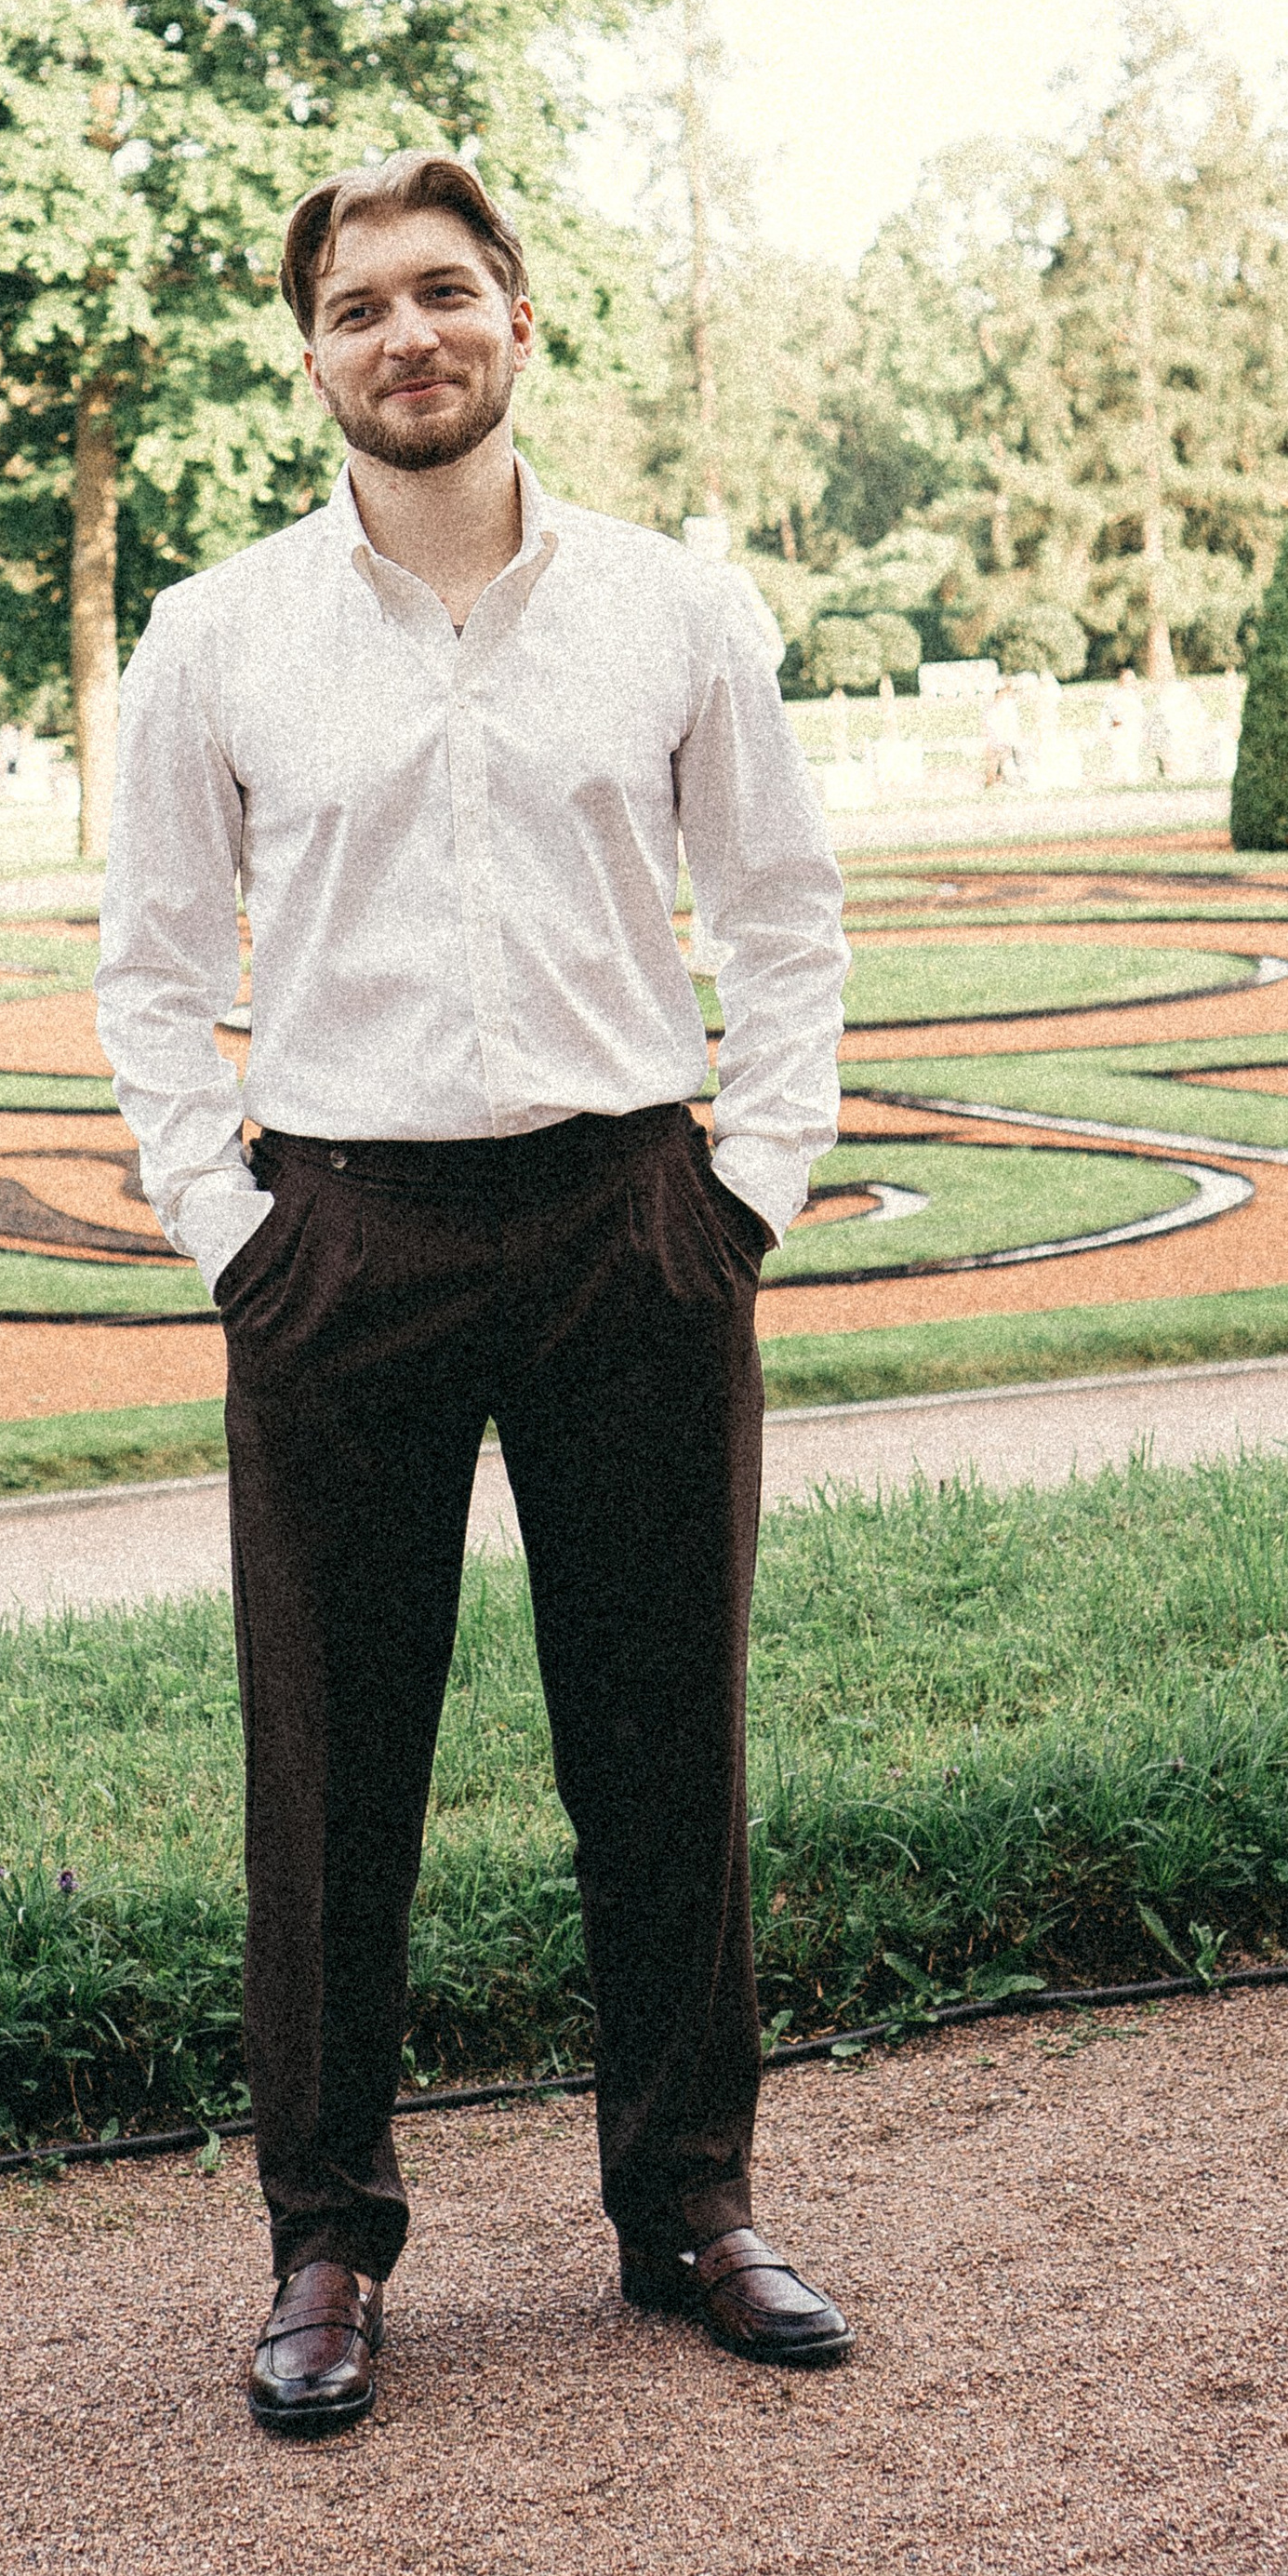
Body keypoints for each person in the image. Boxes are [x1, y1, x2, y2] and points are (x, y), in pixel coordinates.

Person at [98, 152, 853, 2438]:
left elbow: (786, 920)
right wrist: (227, 1228)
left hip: (631, 1222)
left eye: (442, 291)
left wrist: (748, 1190)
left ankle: (689, 2205)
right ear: (309, 351)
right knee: (329, 1767)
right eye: (355, 306)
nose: (402, 336)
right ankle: (323, 2241)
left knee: (666, 1734)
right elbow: (146, 967)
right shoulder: (215, 633)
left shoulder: (671, 611)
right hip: (340, 1241)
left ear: (517, 316)